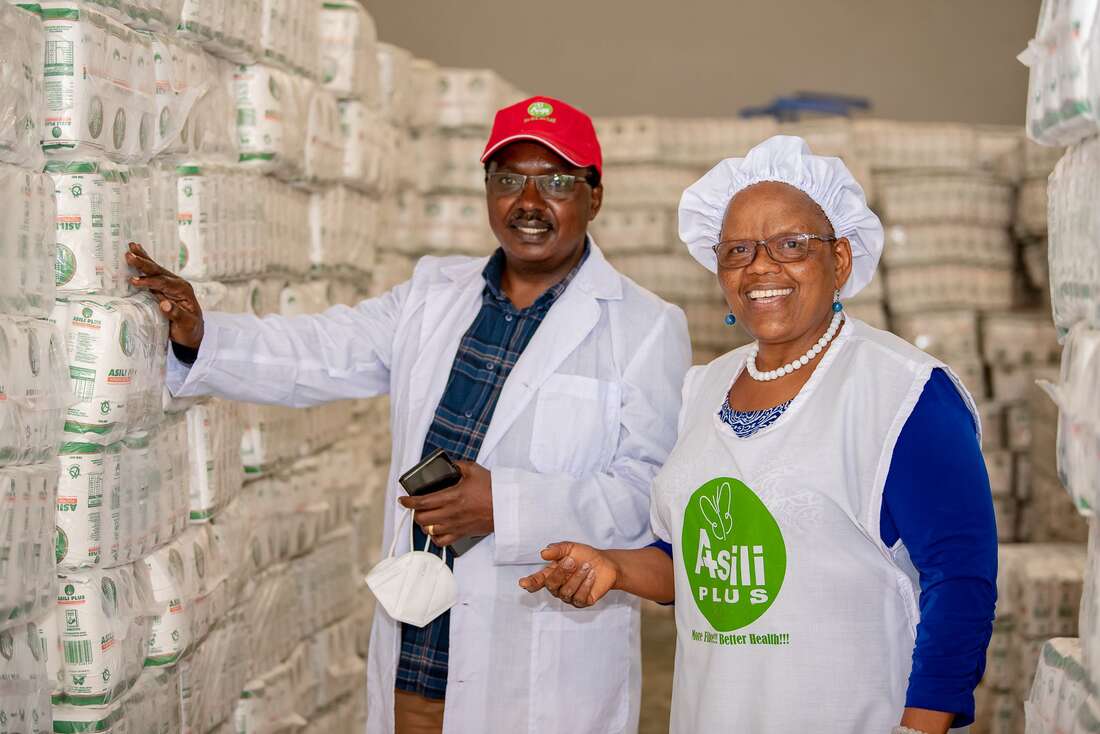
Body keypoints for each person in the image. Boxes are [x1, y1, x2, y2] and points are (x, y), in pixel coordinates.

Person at [126, 96, 691, 734]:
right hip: (419, 640)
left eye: (557, 182)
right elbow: (322, 350)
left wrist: (505, 505)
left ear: (595, 196)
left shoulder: (644, 325)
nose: (529, 202)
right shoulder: (433, 293)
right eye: (509, 179)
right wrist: (204, 334)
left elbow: (649, 494)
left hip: (539, 658)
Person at [520, 136, 997, 734]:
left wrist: (920, 727)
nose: (761, 266)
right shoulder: (705, 387)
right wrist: (614, 566)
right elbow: (692, 562)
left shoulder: (904, 392)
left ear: (840, 259)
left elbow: (960, 581)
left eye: (791, 244)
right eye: (738, 250)